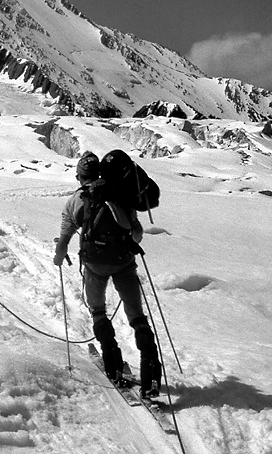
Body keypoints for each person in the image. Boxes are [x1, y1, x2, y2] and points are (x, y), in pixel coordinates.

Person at [54, 151, 162, 398]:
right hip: (123, 262)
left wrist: (60, 256)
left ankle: (112, 362)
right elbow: (136, 233)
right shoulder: (119, 195)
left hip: (93, 264)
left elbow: (63, 242)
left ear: (81, 177)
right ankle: (151, 375)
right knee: (137, 316)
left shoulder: (76, 201)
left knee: (98, 309)